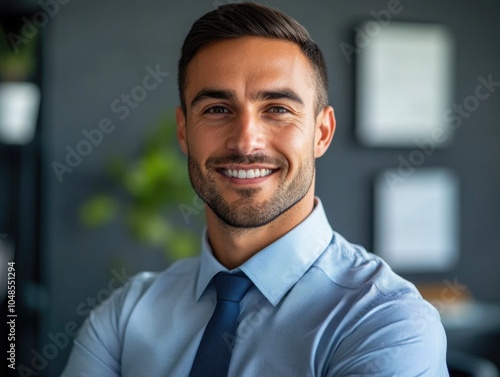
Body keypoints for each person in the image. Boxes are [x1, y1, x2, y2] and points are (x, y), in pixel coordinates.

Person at [62, 2, 448, 376]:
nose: (246, 143)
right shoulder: (125, 315)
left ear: (322, 132)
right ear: (184, 131)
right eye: (216, 109)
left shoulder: (386, 322)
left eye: (278, 109)